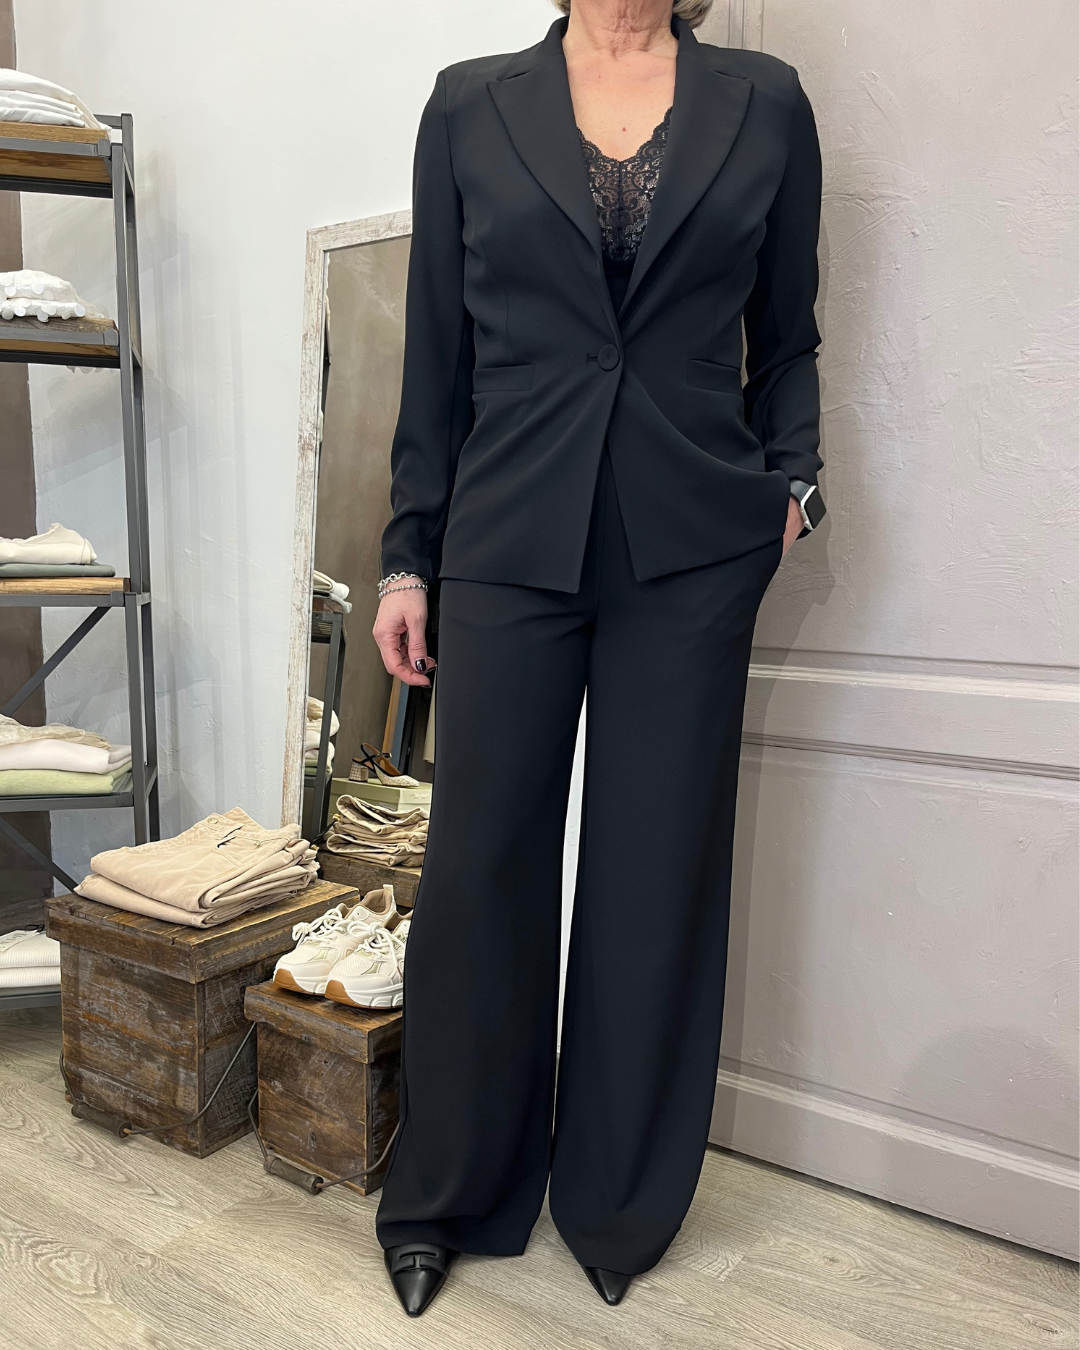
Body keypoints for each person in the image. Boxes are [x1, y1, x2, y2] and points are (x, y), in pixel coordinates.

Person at [371, 0, 825, 1318]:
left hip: (689, 541)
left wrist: (795, 482)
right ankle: (450, 1193)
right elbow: (437, 354)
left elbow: (787, 331)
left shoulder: (765, 102)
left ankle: (618, 1197)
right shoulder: (469, 102)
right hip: (510, 530)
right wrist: (408, 556)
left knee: (653, 870)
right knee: (480, 867)